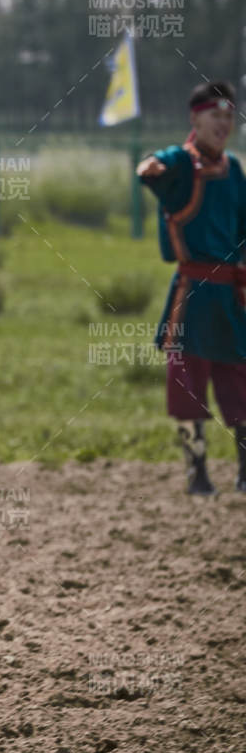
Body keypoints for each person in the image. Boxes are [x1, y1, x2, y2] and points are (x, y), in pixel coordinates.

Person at [136, 79, 246, 495]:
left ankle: (245, 471)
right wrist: (151, 165)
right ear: (195, 120)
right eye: (214, 115)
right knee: (187, 383)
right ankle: (196, 472)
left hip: (232, 293)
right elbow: (155, 166)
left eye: (228, 117)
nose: (223, 124)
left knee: (240, 381)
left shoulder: (233, 169)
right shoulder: (182, 163)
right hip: (193, 292)